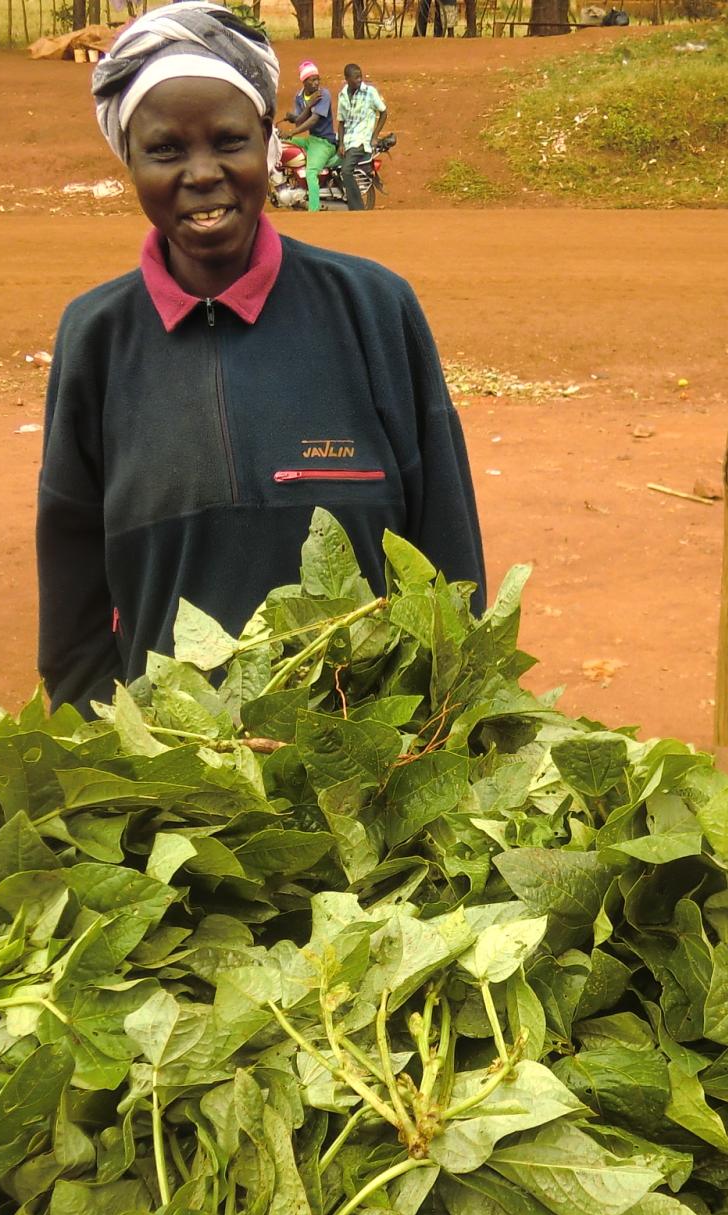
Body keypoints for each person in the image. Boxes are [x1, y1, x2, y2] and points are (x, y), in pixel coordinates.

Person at [39, 0, 485, 712]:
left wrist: (440, 738)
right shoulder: (96, 338)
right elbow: (73, 604)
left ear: (270, 145)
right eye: (165, 150)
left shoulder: (373, 311)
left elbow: (448, 562)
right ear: (130, 160)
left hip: (370, 779)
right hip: (175, 786)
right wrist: (109, 765)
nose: (203, 172)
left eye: (229, 140)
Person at [276, 59, 335, 213]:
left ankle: (313, 210)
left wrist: (291, 132)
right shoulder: (300, 97)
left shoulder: (323, 95)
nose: (316, 83)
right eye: (312, 80)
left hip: (324, 142)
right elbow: (298, 121)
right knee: (281, 143)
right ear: (304, 81)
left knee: (311, 172)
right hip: (310, 140)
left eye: (317, 79)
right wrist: (307, 107)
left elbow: (313, 120)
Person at [334, 62, 385, 213]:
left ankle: (357, 208)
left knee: (346, 171)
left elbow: (383, 112)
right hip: (347, 140)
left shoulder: (370, 93)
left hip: (361, 141)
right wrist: (341, 144)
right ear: (347, 79)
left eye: (360, 76)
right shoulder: (342, 95)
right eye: (355, 77)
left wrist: (375, 136)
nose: (359, 80)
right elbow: (341, 122)